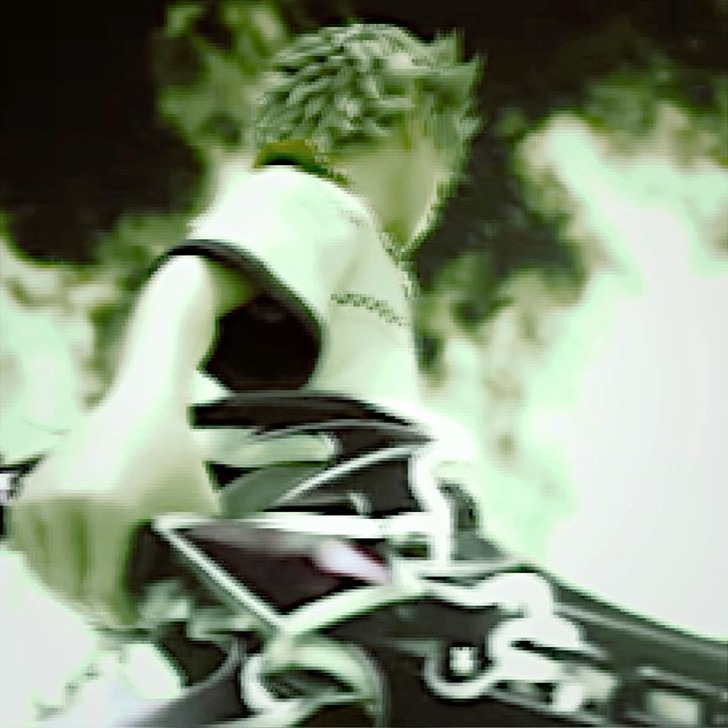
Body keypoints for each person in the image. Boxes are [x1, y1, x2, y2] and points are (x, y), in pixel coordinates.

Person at [8, 21, 482, 630]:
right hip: (348, 534)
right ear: (411, 125)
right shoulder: (310, 194)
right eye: (445, 163)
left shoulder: (351, 251)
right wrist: (135, 417)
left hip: (337, 535)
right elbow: (190, 283)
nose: (441, 195)